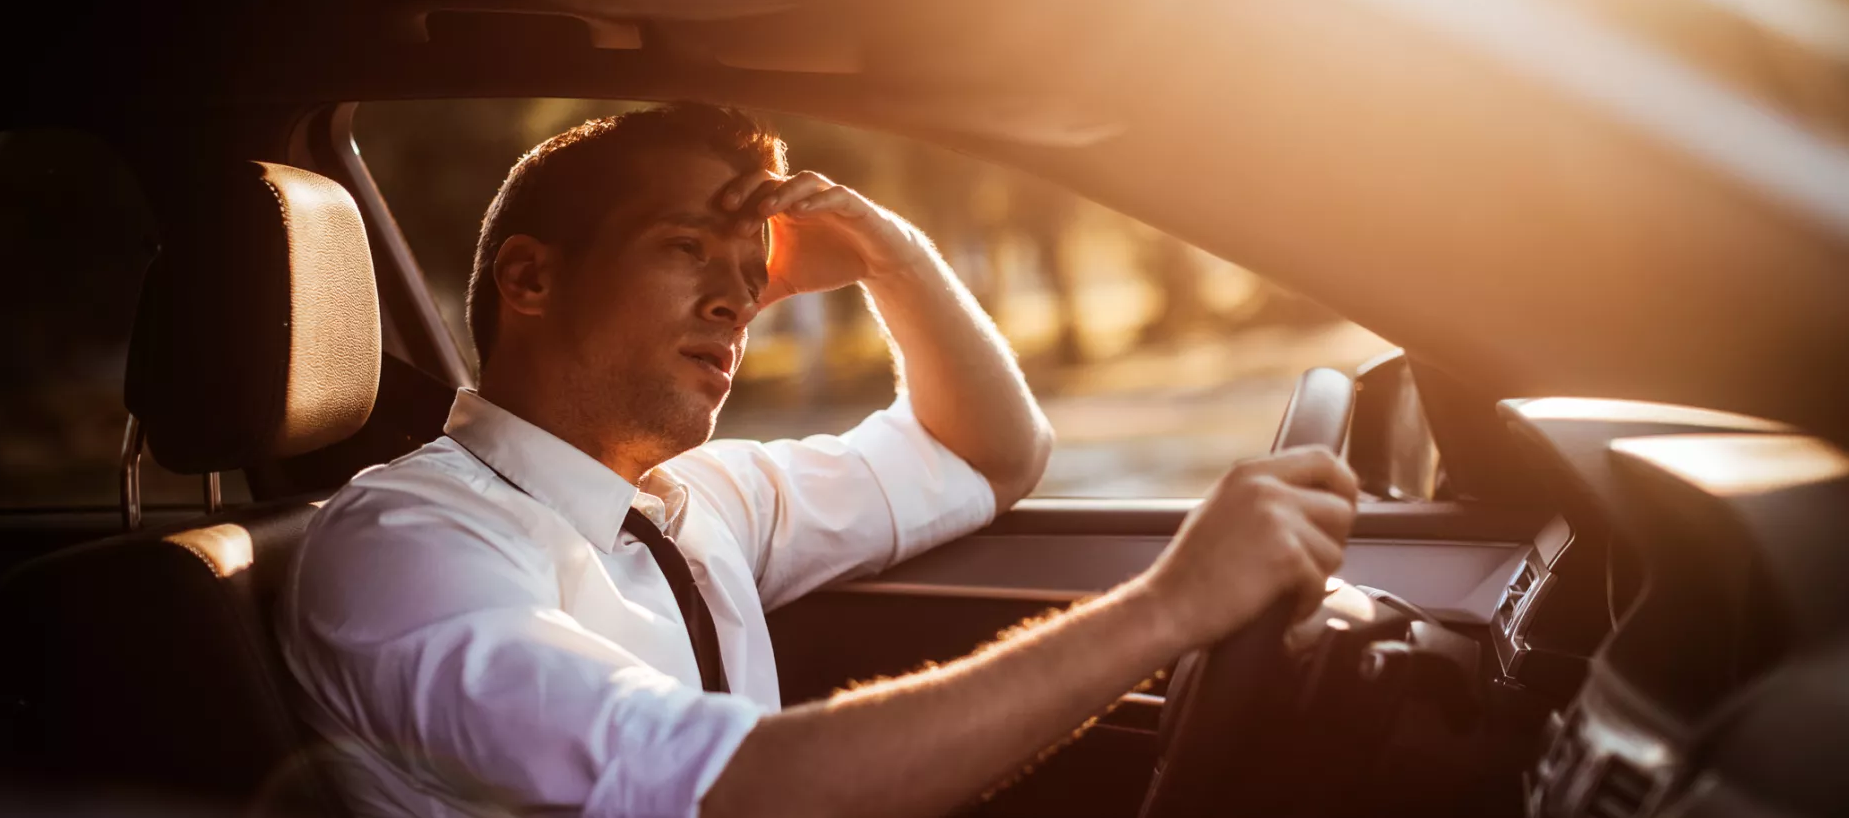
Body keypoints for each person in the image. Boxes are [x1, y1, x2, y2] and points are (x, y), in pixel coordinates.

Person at [278, 104, 1356, 818]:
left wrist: (888, 253)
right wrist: (1169, 610)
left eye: (750, 275)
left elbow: (991, 454)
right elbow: (744, 789)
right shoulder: (406, 550)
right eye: (686, 249)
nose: (735, 300)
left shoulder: (698, 502)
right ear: (530, 280)